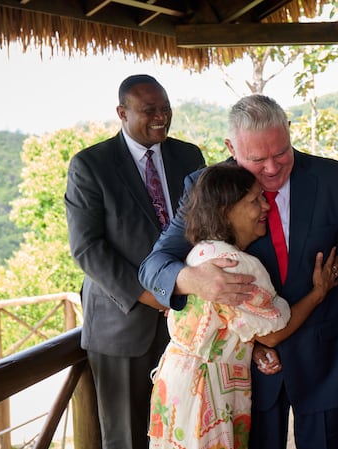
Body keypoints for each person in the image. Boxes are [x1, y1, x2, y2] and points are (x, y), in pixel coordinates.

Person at [139, 94, 338, 449]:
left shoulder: (337, 180)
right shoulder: (208, 186)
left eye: (281, 153)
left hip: (325, 361)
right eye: (257, 160)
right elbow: (154, 265)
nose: (271, 168)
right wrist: (194, 280)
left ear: (289, 132)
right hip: (247, 374)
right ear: (230, 148)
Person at [148, 163, 338, 448]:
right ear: (226, 211)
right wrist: (318, 292)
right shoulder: (240, 265)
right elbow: (273, 333)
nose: (266, 206)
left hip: (176, 384)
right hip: (208, 392)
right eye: (254, 200)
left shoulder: (201, 251)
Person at [65, 74, 205, 449]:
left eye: (166, 108)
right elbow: (87, 248)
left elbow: (204, 226)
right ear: (122, 113)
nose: (161, 117)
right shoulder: (90, 165)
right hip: (122, 325)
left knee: (185, 429)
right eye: (149, 110)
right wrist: (150, 295)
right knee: (127, 438)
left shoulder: (189, 156)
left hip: (186, 321)